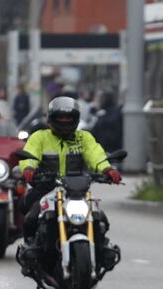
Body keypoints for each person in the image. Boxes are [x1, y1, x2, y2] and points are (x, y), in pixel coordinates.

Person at [15, 96, 122, 273]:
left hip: (77, 190)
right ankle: (30, 250)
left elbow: (96, 155)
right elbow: (30, 153)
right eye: (60, 118)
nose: (65, 121)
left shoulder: (83, 138)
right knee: (31, 217)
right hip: (47, 187)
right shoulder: (40, 137)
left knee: (100, 218)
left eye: (69, 118)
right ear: (51, 119)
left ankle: (103, 249)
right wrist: (28, 168)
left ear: (76, 119)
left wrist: (107, 169)